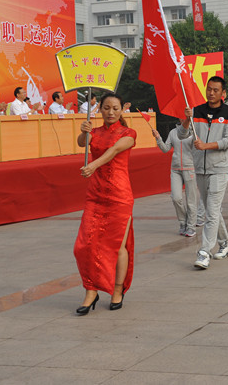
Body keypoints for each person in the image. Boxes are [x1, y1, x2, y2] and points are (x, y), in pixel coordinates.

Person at [74, 93, 137, 315]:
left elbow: (114, 151)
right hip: (96, 195)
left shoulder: (128, 133)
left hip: (119, 195)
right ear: (99, 109)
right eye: (107, 108)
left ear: (122, 110)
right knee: (84, 245)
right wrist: (84, 132)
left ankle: (117, 290)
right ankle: (91, 290)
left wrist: (94, 165)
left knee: (117, 246)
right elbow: (82, 143)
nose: (111, 112)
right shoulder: (95, 131)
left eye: (115, 108)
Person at [181, 76, 228, 269]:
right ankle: (226, 243)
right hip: (200, 168)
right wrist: (186, 119)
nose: (211, 93)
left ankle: (204, 251)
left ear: (223, 93)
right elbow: (182, 135)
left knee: (211, 210)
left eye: (215, 90)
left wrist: (207, 146)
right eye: (209, 89)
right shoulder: (196, 111)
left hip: (220, 168)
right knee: (212, 210)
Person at [153, 124, 198, 237]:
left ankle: (191, 226)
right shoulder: (173, 132)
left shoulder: (194, 131)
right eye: (181, 117)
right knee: (176, 198)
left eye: (185, 117)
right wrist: (158, 138)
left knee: (191, 200)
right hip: (175, 170)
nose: (183, 119)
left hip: (190, 168)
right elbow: (165, 149)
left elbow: (199, 150)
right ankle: (183, 222)